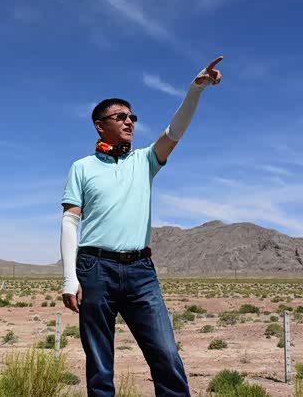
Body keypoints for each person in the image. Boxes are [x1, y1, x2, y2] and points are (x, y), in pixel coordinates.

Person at [60, 56, 224, 397]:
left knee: (166, 354)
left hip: (140, 270)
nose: (129, 122)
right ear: (100, 125)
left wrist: (195, 90)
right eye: (120, 117)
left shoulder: (145, 160)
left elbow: (175, 131)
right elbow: (70, 221)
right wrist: (69, 278)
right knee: (100, 364)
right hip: (94, 268)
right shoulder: (82, 167)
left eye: (132, 117)